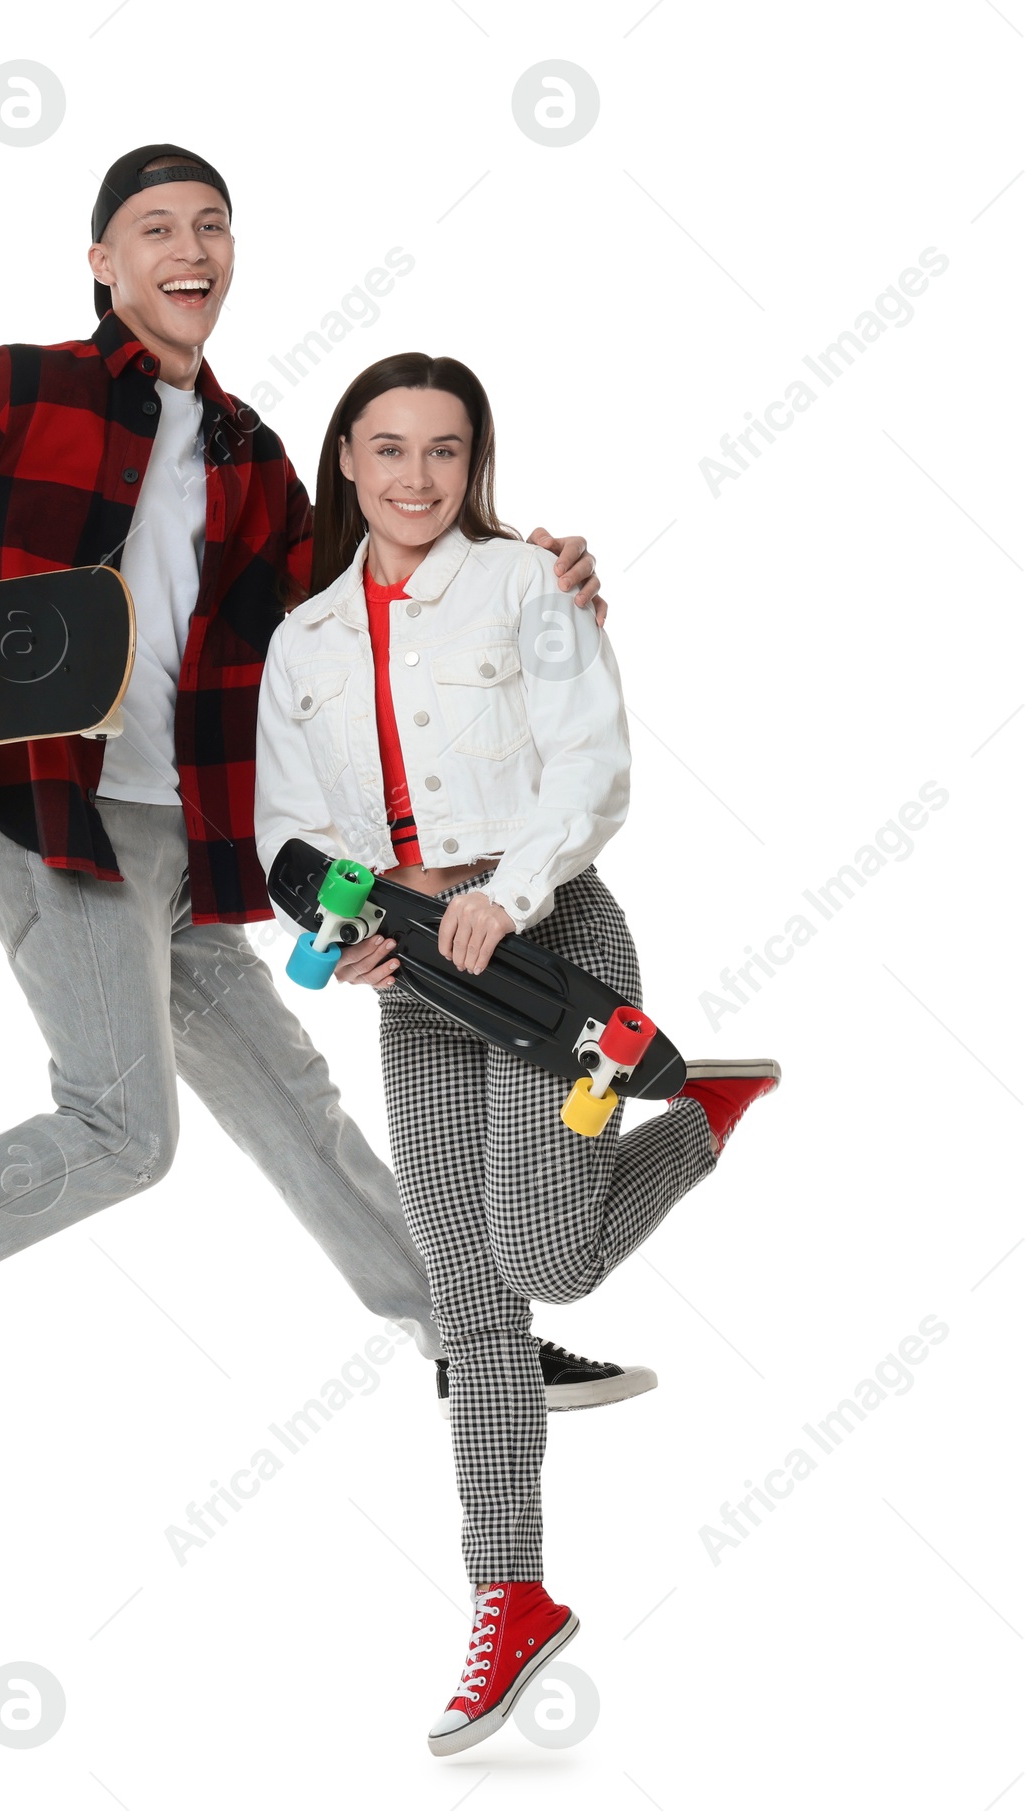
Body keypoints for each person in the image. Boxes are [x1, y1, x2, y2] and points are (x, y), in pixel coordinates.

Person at [0, 144, 641, 1472]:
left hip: (198, 843)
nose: (188, 250)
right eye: (155, 229)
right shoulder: (21, 386)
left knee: (296, 1104)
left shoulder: (254, 452)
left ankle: (467, 1338)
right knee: (122, 1132)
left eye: (212, 227)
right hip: (52, 815)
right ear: (103, 262)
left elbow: (377, 580)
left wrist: (534, 570)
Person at [253, 352, 780, 1756]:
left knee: (547, 1261)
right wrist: (343, 922)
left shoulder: (528, 584)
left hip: (558, 964)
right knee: (470, 1305)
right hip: (413, 980)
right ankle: (514, 1595)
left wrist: (507, 891)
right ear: (345, 462)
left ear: (473, 461)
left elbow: (593, 764)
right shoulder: (300, 640)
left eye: (444, 450)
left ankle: (696, 1115)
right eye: (388, 449)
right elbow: (284, 833)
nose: (415, 477)